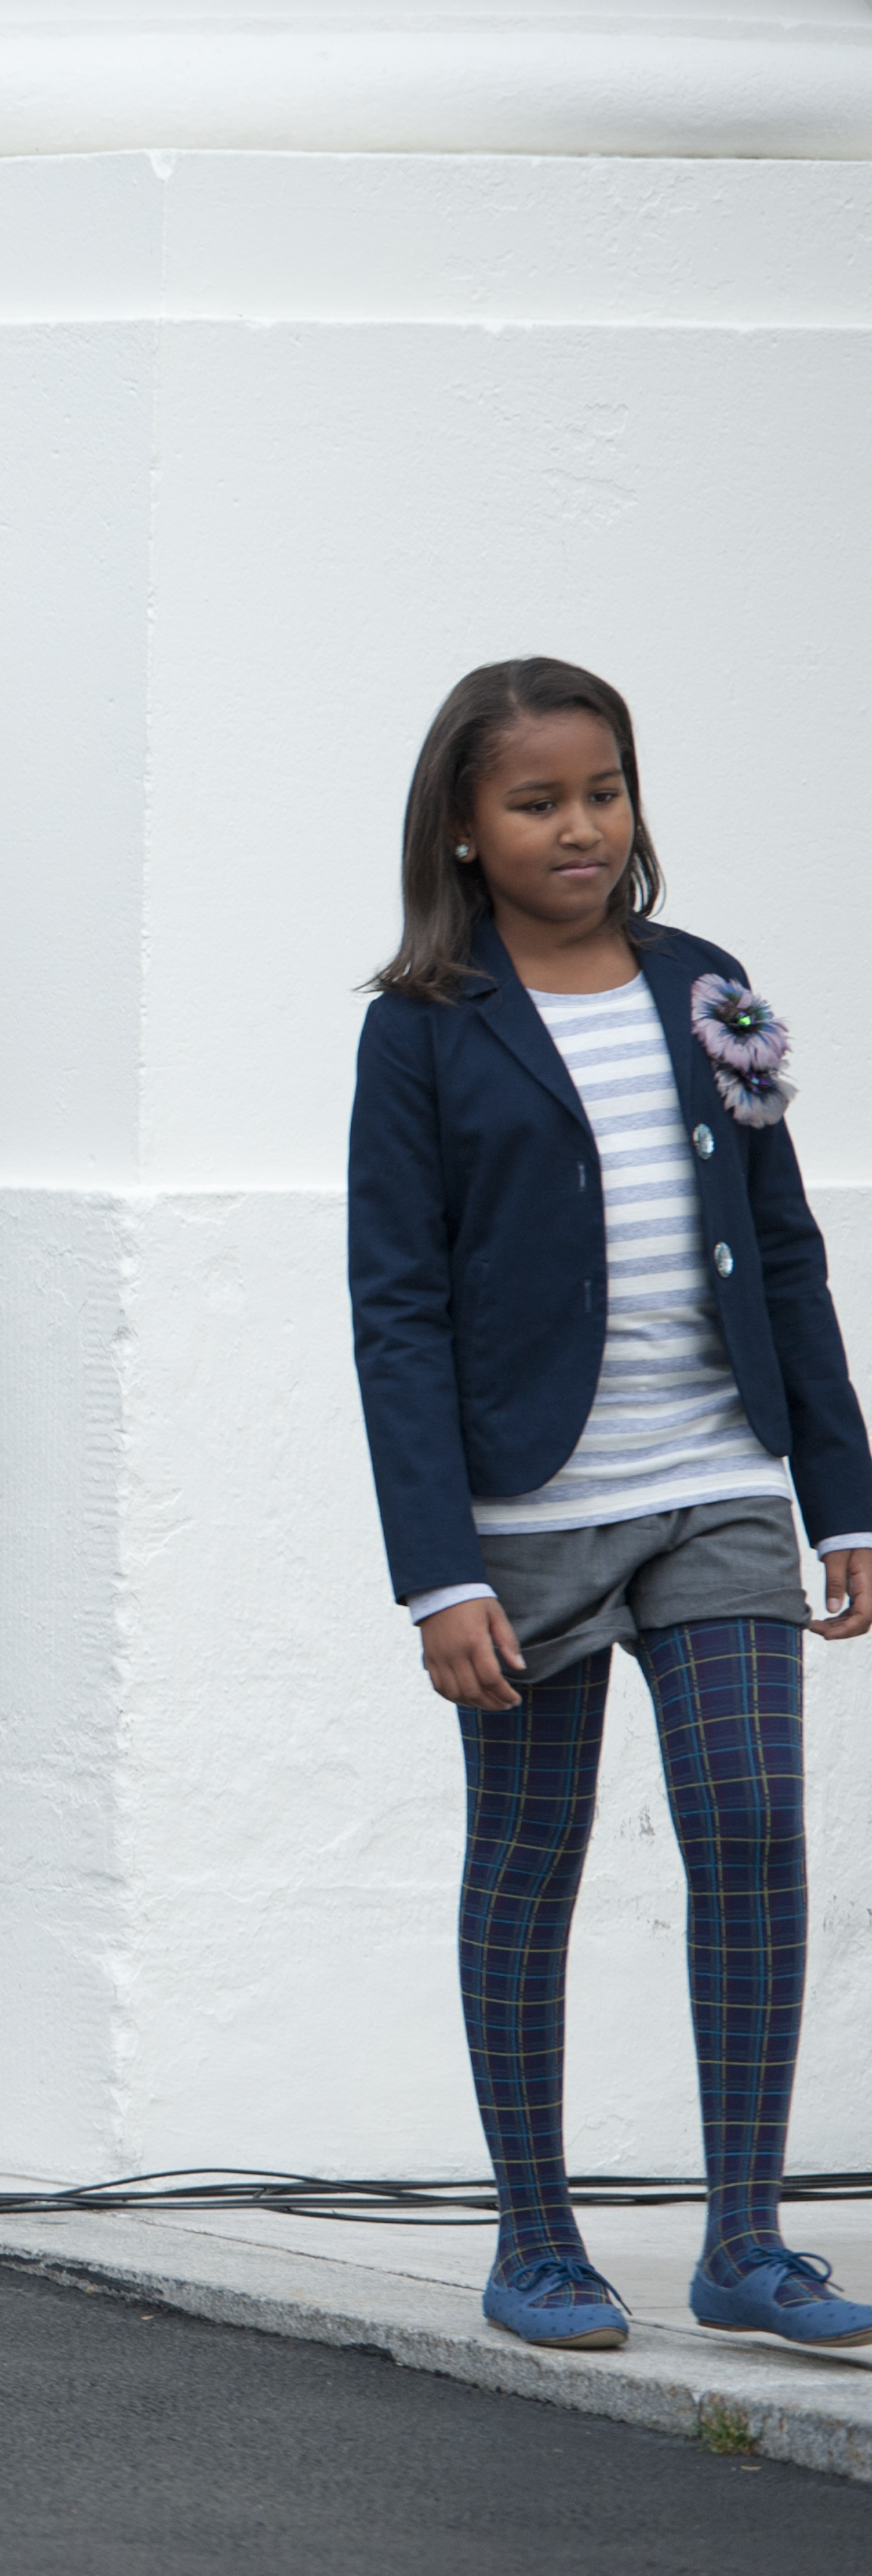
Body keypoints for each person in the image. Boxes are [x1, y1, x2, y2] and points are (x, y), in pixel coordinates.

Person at [349, 656, 872, 2354]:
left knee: (747, 1833)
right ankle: (535, 2239)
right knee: (528, 1856)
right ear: (461, 825)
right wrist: (437, 1575)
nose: (579, 827)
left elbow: (780, 1250)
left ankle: (742, 2240)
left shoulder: (704, 986)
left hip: (713, 1481)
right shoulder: (421, 1028)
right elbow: (394, 1306)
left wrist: (837, 1500)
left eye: (602, 792)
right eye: (535, 801)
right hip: (525, 1515)